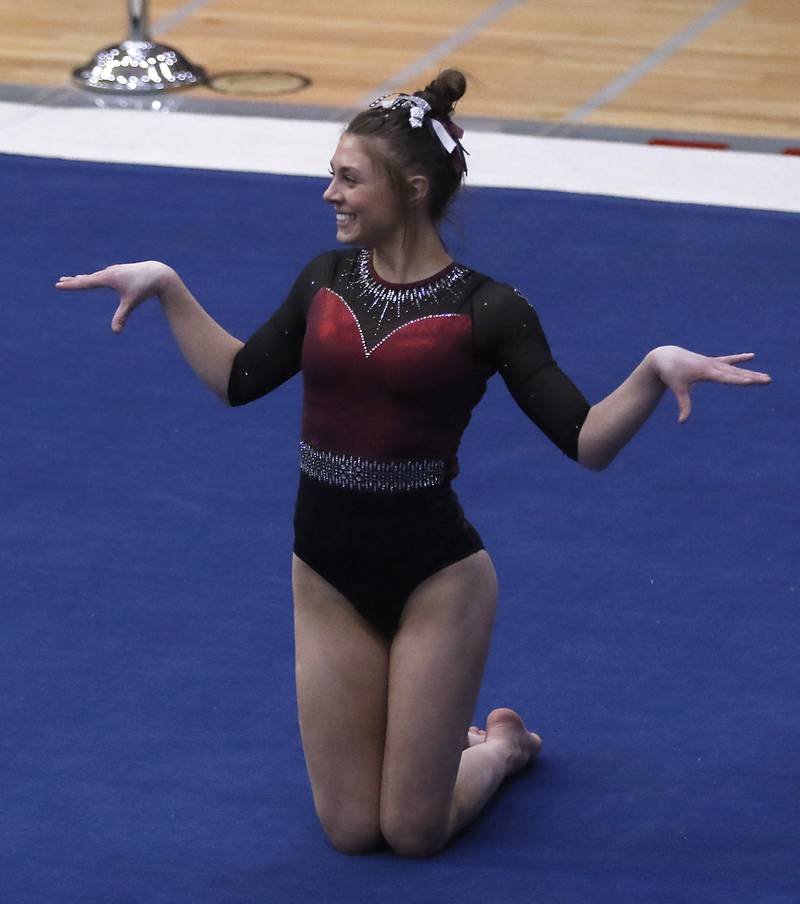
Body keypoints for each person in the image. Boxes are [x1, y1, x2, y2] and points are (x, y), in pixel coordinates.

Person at [56, 69, 770, 859]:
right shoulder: (323, 283)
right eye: (331, 173)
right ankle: (461, 746)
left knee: (415, 831)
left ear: (413, 187)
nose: (329, 193)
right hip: (326, 579)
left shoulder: (489, 309)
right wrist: (168, 287)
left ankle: (499, 748)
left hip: (438, 581)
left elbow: (587, 441)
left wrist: (649, 369)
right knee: (353, 830)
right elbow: (237, 380)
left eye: (348, 178)